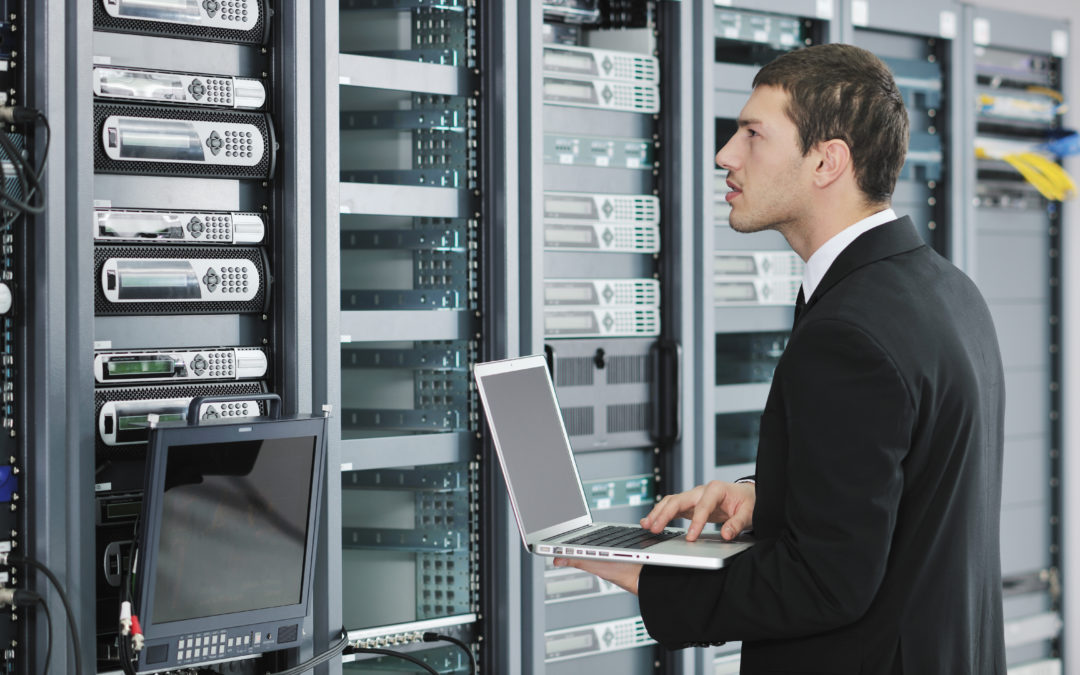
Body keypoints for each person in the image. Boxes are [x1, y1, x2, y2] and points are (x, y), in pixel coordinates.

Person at [554, 43, 1006, 674]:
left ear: (827, 160)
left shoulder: (849, 330)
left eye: (752, 135)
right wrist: (770, 497)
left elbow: (827, 584)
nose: (725, 156)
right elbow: (909, 500)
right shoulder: (948, 291)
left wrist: (650, 577)